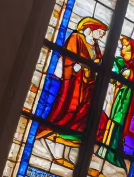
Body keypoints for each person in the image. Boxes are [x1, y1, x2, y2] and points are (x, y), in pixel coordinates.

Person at [37, 17, 108, 168]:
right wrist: (79, 67)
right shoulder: (76, 38)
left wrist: (95, 65)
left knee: (81, 119)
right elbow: (68, 58)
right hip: (74, 84)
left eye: (103, 33)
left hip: (88, 85)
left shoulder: (94, 45)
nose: (102, 35)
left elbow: (98, 61)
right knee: (68, 113)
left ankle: (65, 155)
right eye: (100, 32)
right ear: (91, 28)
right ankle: (57, 153)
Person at [96, 36, 134, 169]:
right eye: (122, 47)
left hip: (124, 102)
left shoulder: (132, 67)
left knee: (116, 124)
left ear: (133, 51)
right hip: (118, 98)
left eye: (125, 48)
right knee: (111, 122)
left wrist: (116, 77)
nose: (122, 50)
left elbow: (124, 79)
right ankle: (103, 151)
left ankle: (110, 153)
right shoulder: (125, 65)